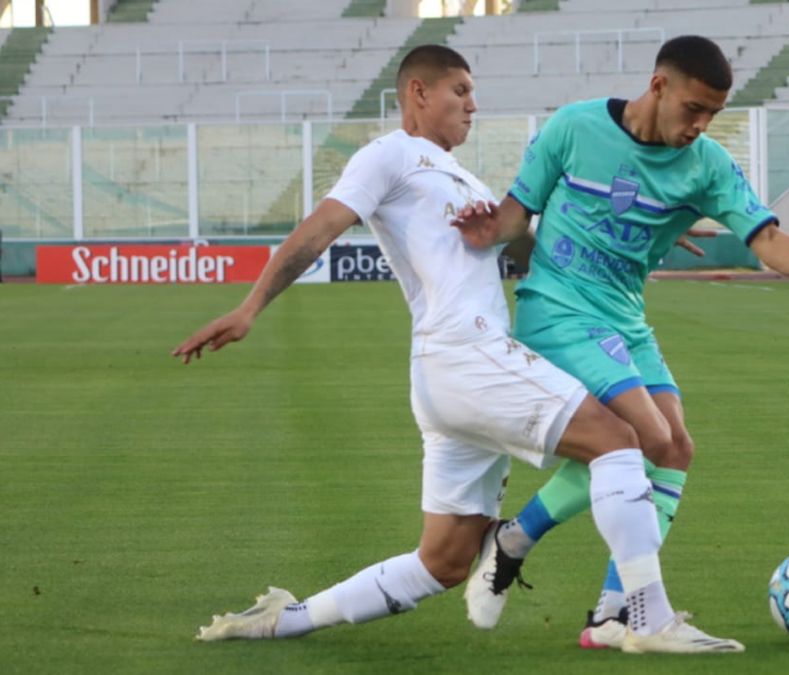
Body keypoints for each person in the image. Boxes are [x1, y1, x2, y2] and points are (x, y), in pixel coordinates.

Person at [170, 45, 742, 654]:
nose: (473, 105)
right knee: (622, 439)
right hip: (465, 353)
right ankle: (643, 617)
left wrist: (641, 232)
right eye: (460, 92)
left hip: (454, 376)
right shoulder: (389, 155)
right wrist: (250, 307)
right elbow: (322, 227)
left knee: (443, 562)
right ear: (418, 93)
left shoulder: (464, 180)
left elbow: (522, 250)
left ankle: (284, 618)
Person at [451, 35, 789, 650]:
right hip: (558, 311)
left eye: (713, 115)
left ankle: (595, 603)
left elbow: (766, 239)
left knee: (674, 449)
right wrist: (477, 229)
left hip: (624, 320)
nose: (700, 126)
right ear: (658, 87)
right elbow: (515, 215)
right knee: (646, 436)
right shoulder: (574, 127)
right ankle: (642, 614)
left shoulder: (706, 166)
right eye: (693, 109)